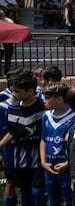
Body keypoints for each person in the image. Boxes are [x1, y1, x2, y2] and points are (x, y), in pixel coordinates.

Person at [0, 69, 47, 205]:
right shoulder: (12, 109)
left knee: (38, 192)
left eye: (17, 91)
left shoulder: (43, 108)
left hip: (39, 158)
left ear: (30, 91)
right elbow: (11, 133)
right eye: (12, 91)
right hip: (20, 159)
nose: (13, 94)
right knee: (25, 192)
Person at [40, 82, 75, 206]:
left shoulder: (74, 117)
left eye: (47, 98)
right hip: (49, 167)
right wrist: (43, 162)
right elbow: (43, 140)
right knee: (53, 200)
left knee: (68, 199)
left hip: (67, 168)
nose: (43, 100)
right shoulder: (45, 116)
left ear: (60, 99)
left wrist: (67, 164)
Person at [0, 71, 18, 206]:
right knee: (11, 180)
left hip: (26, 148)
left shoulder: (35, 102)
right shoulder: (2, 102)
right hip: (8, 148)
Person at [0, 10, 15, 77]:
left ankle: (7, 73)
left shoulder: (9, 21)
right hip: (0, 43)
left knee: (8, 59)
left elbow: (13, 31)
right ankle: (0, 74)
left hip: (9, 42)